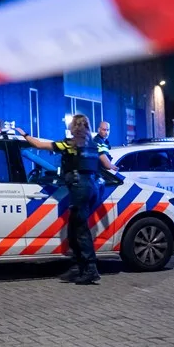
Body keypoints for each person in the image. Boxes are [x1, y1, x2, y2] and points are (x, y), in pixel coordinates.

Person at [15, 115, 118, 285]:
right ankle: (78, 267)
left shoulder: (70, 144)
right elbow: (106, 164)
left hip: (79, 188)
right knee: (73, 230)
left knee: (81, 230)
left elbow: (39, 145)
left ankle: (90, 269)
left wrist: (24, 134)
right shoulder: (94, 145)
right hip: (92, 187)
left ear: (74, 127)